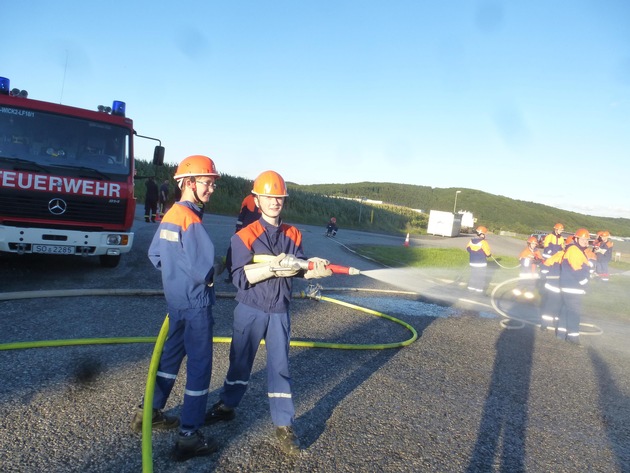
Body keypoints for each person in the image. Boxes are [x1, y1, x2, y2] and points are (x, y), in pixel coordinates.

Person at [205, 170, 332, 455]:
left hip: (279, 311)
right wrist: (272, 267)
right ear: (257, 200)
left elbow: (297, 269)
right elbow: (238, 277)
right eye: (269, 197)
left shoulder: (293, 234)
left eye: (279, 197)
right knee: (240, 362)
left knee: (280, 368)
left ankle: (284, 425)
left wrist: (313, 271)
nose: (275, 202)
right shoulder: (244, 236)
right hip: (250, 308)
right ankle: (227, 405)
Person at [130, 155, 224, 461]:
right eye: (208, 182)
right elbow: (206, 270)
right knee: (199, 369)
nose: (211, 188)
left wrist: (175, 275)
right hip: (195, 305)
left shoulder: (171, 214)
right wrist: (226, 265)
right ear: (189, 183)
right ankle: (188, 436)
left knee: (169, 359)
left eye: (212, 183)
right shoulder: (192, 220)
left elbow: (155, 254)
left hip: (176, 302)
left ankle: (150, 412)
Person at [558, 228, 592, 344]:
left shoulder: (577, 250)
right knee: (574, 312)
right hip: (573, 287)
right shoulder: (574, 250)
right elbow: (577, 270)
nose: (585, 242)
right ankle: (573, 338)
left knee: (566, 309)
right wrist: (585, 284)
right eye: (583, 239)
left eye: (587, 240)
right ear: (576, 239)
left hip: (570, 286)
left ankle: (561, 334)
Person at [224, 193, 262, 282]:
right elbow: (242, 215)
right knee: (233, 252)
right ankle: (232, 275)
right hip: (245, 232)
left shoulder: (263, 200)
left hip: (256, 233)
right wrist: (238, 230)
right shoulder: (248, 199)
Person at [466, 226, 492, 293]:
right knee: (480, 277)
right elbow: (487, 254)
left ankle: (470, 290)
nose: (484, 235)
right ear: (481, 234)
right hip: (481, 263)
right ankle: (479, 292)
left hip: (472, 262)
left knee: (473, 276)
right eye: (484, 234)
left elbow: (468, 249)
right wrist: (489, 255)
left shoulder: (471, 241)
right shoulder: (483, 242)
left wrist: (474, 254)